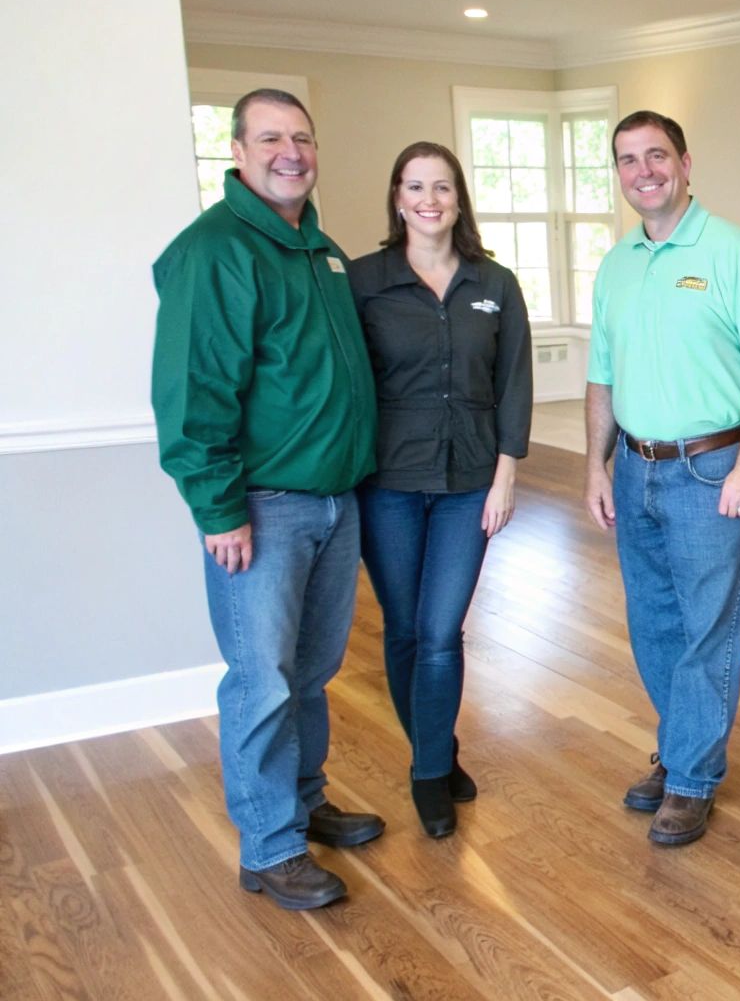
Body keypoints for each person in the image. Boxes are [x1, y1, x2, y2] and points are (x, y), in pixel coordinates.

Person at [152, 88, 383, 911]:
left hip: (334, 502)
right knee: (261, 681)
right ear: (240, 153)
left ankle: (305, 801)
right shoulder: (217, 251)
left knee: (312, 673)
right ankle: (269, 846)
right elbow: (192, 393)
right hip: (264, 509)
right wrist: (219, 511)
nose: (292, 152)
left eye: (304, 138)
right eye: (272, 139)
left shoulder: (317, 250)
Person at [582, 110, 740, 846]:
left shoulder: (736, 253)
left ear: (685, 163)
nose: (644, 171)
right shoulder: (615, 266)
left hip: (712, 471)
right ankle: (680, 755)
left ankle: (693, 779)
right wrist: (594, 465)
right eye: (628, 160)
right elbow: (601, 377)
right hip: (635, 469)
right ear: (618, 174)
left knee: (711, 627)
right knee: (655, 626)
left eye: (657, 156)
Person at [347, 142, 532, 839]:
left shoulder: (496, 284)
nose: (430, 199)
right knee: (403, 631)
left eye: (443, 187)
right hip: (386, 485)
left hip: (470, 485)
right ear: (397, 198)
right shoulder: (363, 282)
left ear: (459, 199)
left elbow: (515, 383)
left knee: (440, 631)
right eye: (416, 186)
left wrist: (506, 476)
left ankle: (427, 773)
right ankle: (437, 752)